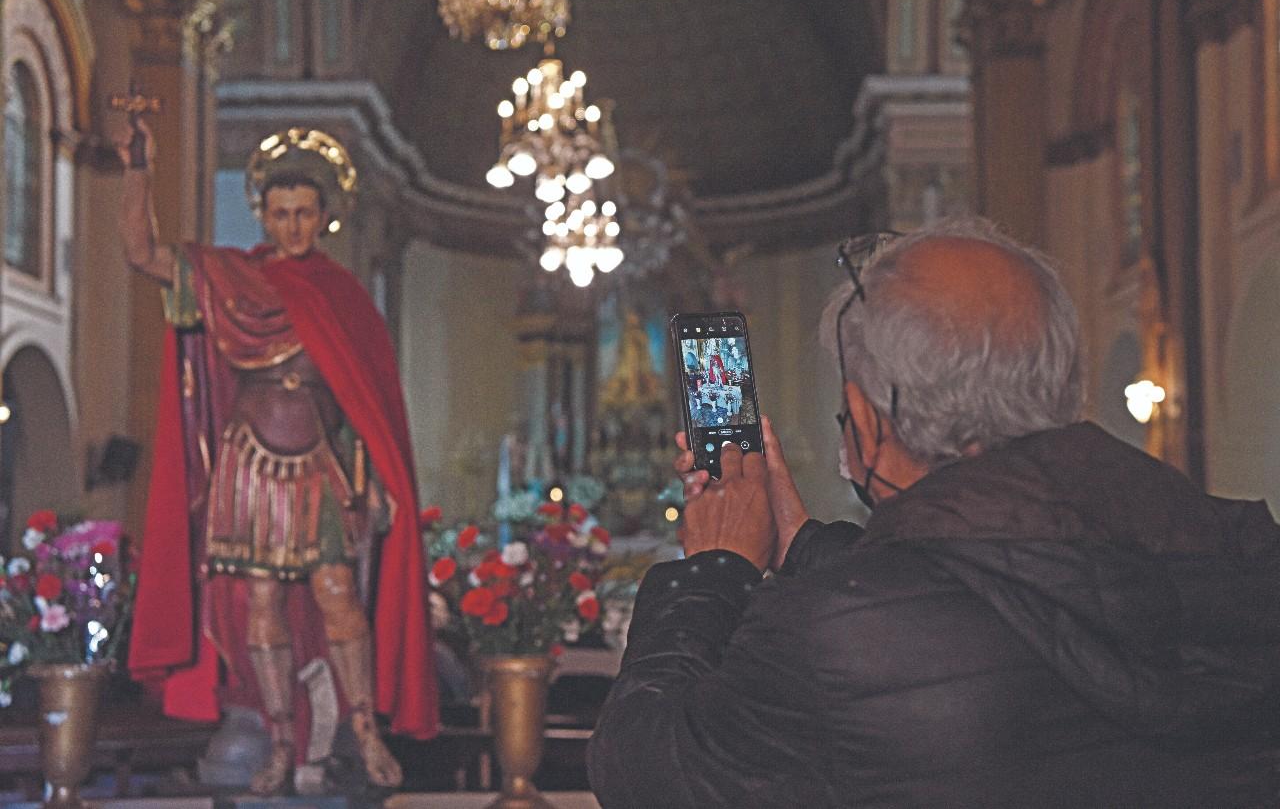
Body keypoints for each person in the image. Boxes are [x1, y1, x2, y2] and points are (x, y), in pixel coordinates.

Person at [587, 217, 1280, 807]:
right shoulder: (1248, 551)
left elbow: (648, 769)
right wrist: (801, 545)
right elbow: (1015, 580)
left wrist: (713, 570)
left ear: (864, 418)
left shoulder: (833, 638)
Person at [120, 123, 438, 795]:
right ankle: (281, 743)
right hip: (248, 460)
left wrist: (376, 480)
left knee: (337, 595)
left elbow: (364, 404)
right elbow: (142, 252)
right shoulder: (231, 277)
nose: (293, 226)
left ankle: (363, 734)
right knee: (260, 600)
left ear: (325, 218)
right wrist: (138, 170)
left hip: (318, 458)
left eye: (305, 214)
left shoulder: (345, 297)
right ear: (263, 213)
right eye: (280, 213)